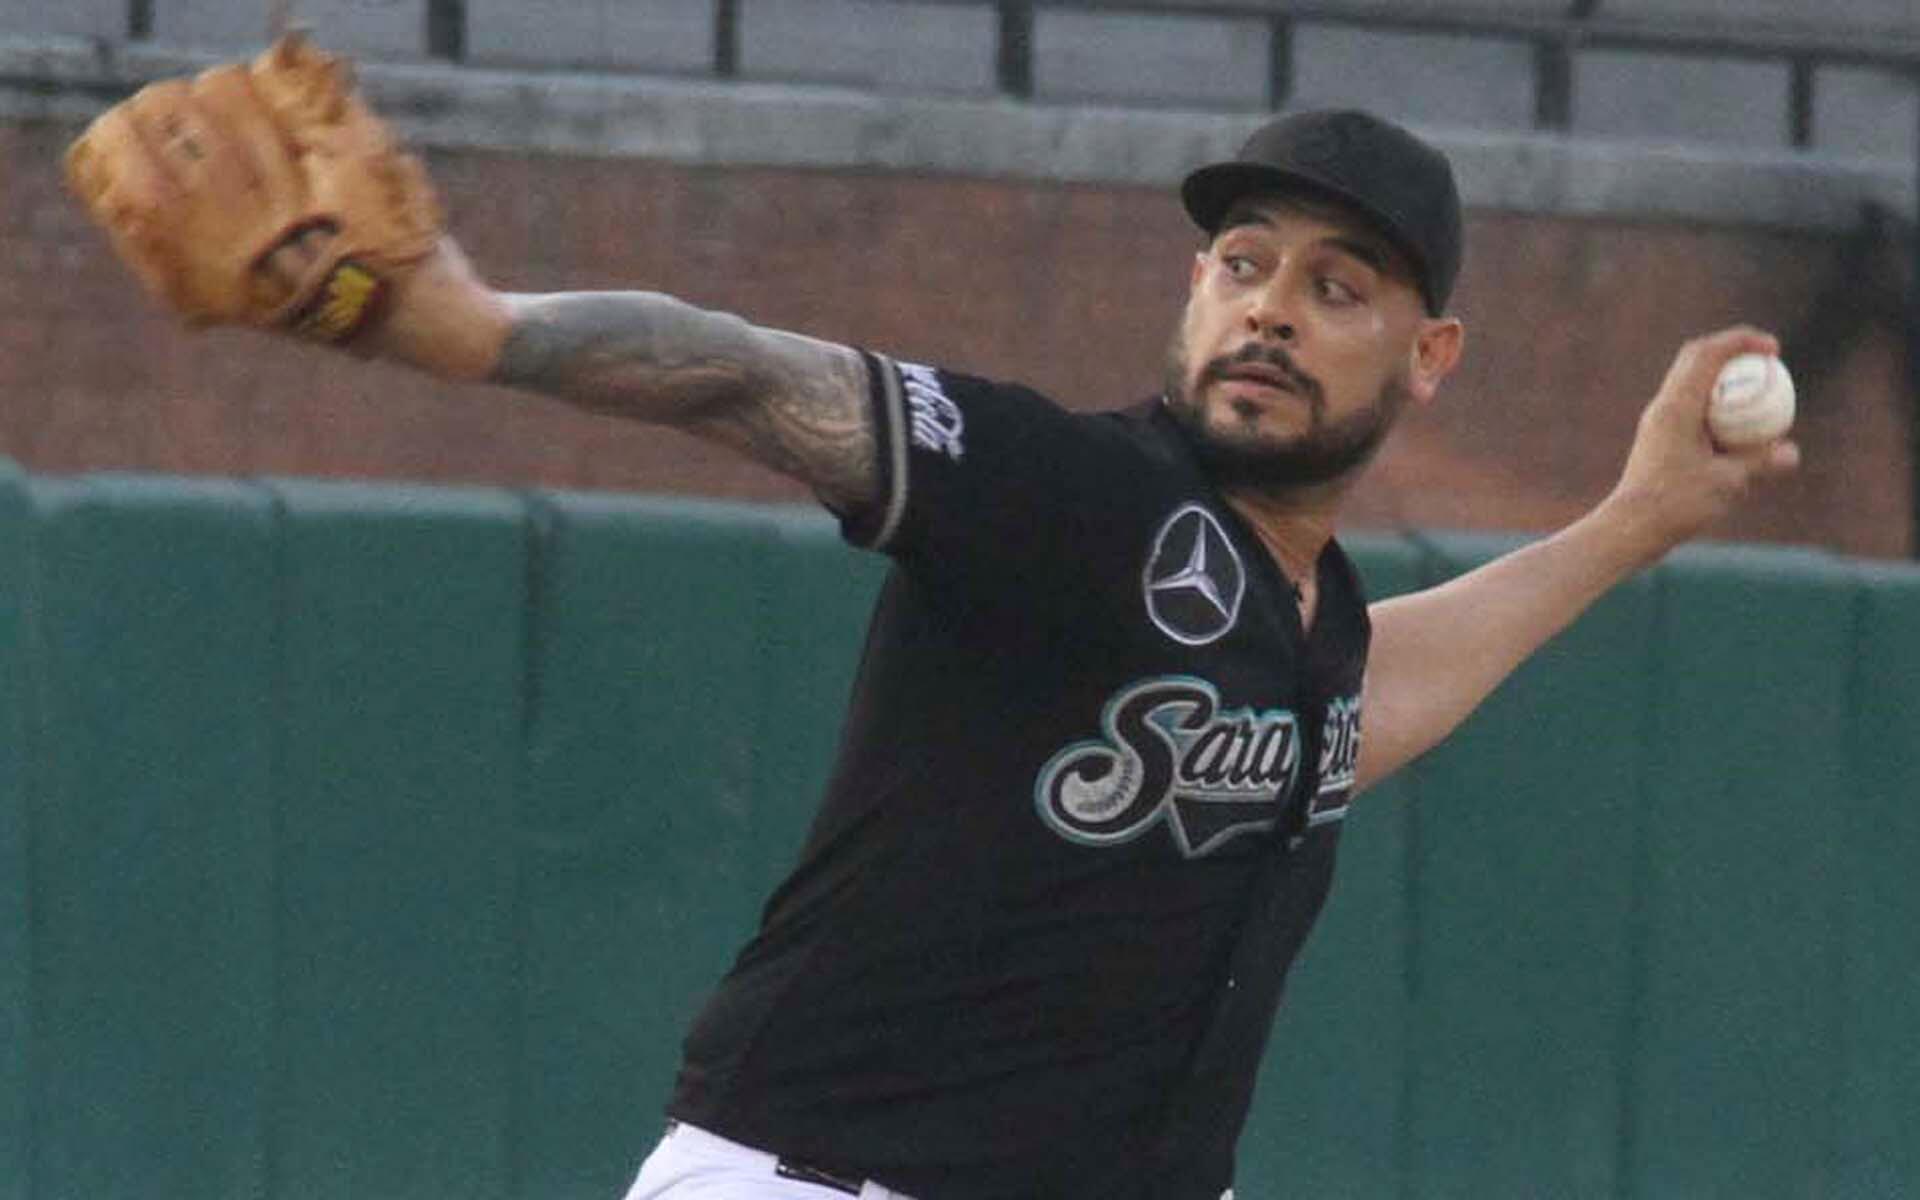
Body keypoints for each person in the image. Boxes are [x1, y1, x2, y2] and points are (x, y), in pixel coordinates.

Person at [67, 45, 1797, 1200]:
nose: (1269, 308)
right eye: (1242, 262)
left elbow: (1353, 709)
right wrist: (468, 327)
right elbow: (761, 380)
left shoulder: (1302, 624)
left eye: (1336, 287)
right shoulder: (1079, 499)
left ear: (1430, 358)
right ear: (1191, 287)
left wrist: (1634, 521)